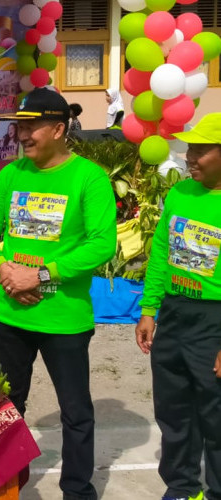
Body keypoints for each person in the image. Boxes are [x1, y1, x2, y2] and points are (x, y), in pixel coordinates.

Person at [0, 88, 117, 500]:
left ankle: (77, 490)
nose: (22, 134)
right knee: (3, 409)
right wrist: (5, 271)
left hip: (63, 318)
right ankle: (10, 486)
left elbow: (103, 243)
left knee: (75, 412)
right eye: (19, 126)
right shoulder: (12, 174)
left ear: (58, 128)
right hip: (9, 314)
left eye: (31, 126)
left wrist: (42, 276)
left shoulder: (88, 177)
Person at [135, 113, 221, 500]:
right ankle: (183, 486)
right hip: (174, 313)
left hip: (214, 319)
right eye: (190, 149)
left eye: (202, 150)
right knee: (174, 406)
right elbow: (160, 255)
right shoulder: (180, 194)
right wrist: (150, 309)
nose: (190, 157)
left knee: (215, 414)